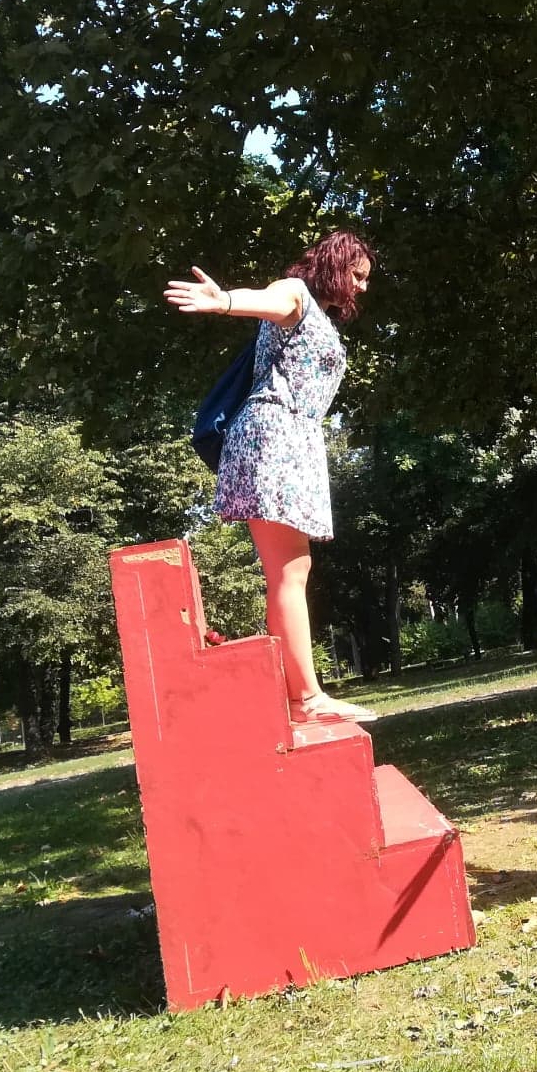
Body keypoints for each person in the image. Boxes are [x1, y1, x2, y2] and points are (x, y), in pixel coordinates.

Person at [165, 231, 378, 723]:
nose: (362, 287)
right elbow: (272, 300)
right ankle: (306, 699)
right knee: (288, 571)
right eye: (357, 275)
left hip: (292, 437)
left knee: (292, 570)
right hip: (274, 432)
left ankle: (301, 696)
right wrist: (224, 301)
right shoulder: (296, 293)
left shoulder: (318, 315)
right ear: (334, 265)